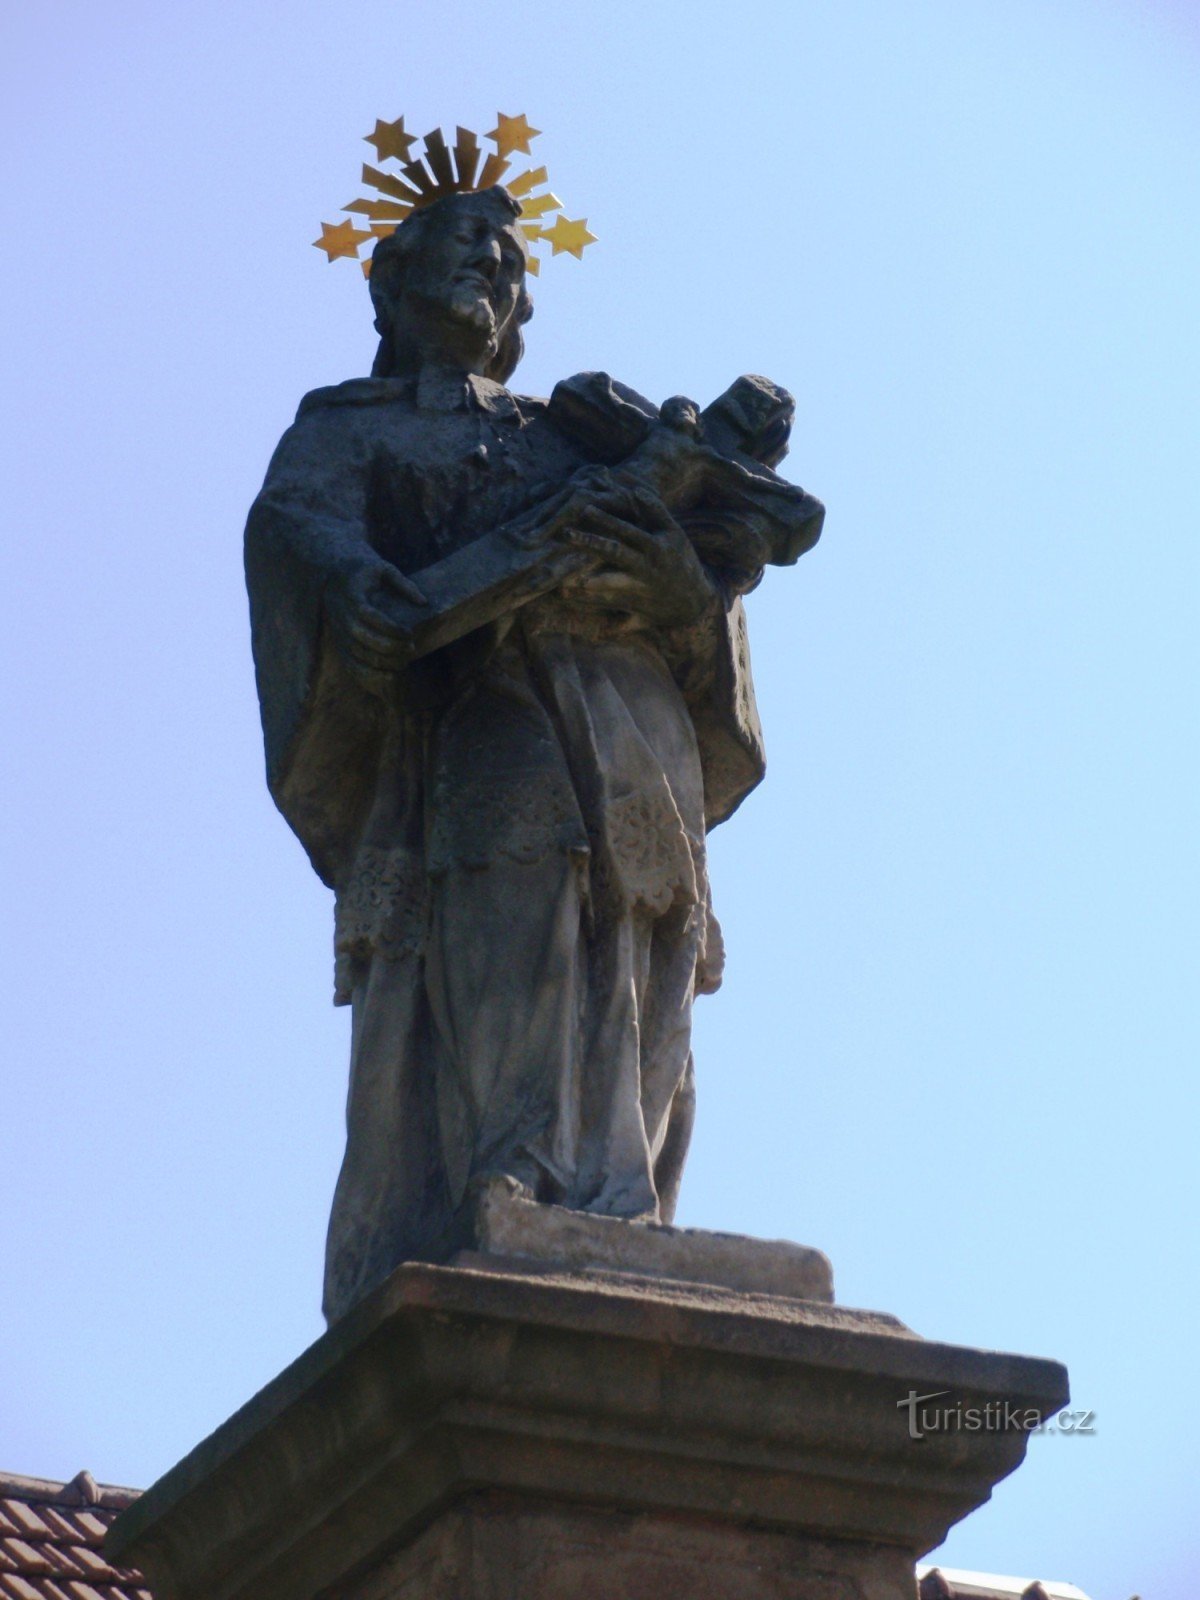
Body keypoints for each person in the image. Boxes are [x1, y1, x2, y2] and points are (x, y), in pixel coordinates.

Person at [245, 185, 820, 1321]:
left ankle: (618, 1196)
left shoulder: (577, 429)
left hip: (632, 713)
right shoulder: (347, 429)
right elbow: (298, 534)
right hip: (481, 703)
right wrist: (354, 590)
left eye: (508, 258)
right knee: (512, 900)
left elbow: (710, 576)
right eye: (464, 246)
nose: (492, 268)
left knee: (644, 929)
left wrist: (686, 598)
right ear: (391, 284)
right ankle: (509, 1177)